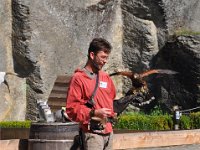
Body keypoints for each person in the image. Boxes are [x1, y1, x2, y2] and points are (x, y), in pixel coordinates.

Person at [66, 38, 116, 150]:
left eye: (107, 58)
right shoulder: (78, 78)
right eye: (103, 57)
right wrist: (94, 112)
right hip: (92, 134)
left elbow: (112, 101)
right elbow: (71, 109)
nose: (105, 61)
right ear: (92, 55)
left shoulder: (106, 77)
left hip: (109, 132)